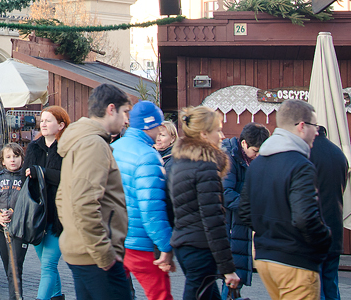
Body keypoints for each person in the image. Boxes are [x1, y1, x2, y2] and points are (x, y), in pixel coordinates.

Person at [239, 99, 331, 300]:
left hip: (265, 259)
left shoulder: (257, 163)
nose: (317, 132)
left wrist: (270, 233)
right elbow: (305, 217)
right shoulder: (300, 165)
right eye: (314, 126)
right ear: (301, 126)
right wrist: (325, 239)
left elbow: (245, 211)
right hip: (296, 260)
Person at [55, 84, 132, 300]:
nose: (127, 120)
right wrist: (104, 253)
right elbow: (83, 203)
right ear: (111, 109)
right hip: (94, 256)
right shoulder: (93, 144)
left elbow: (62, 198)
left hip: (83, 250)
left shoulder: (83, 141)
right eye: (125, 112)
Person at [166, 106, 238, 300]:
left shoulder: (178, 162)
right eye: (218, 130)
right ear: (204, 134)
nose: (222, 136)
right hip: (200, 249)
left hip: (185, 245)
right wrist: (228, 268)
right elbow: (213, 219)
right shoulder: (205, 167)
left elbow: (169, 208)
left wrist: (166, 249)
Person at [112, 101, 174, 300]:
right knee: (160, 295)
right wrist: (165, 245)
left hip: (114, 238)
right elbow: (152, 208)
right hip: (141, 243)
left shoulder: (113, 148)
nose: (160, 129)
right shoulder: (148, 156)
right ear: (151, 125)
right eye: (159, 125)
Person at [21, 105, 70, 300]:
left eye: (48, 120)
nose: (43, 123)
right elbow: (25, 176)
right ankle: (57, 296)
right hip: (37, 214)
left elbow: (69, 177)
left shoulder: (68, 148)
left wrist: (41, 173)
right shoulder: (33, 147)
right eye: (42, 120)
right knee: (46, 265)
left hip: (59, 216)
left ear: (61, 124)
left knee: (48, 266)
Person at [221, 122, 270, 297]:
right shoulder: (229, 157)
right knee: (232, 279)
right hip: (230, 225)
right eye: (255, 151)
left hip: (240, 225)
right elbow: (226, 194)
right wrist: (251, 207)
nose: (257, 155)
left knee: (234, 281)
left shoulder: (249, 160)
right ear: (244, 144)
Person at [0, 142, 28, 300]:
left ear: (22, 158)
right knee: (8, 267)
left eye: (16, 156)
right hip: (1, 231)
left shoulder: (26, 180)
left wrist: (15, 213)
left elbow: (31, 204)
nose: (12, 160)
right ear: (3, 161)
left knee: (15, 269)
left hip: (19, 229)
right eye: (8, 157)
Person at [310, 125, 348, 300]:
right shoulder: (339, 154)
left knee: (316, 288)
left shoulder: (306, 153)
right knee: (331, 283)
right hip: (335, 228)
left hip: (314, 228)